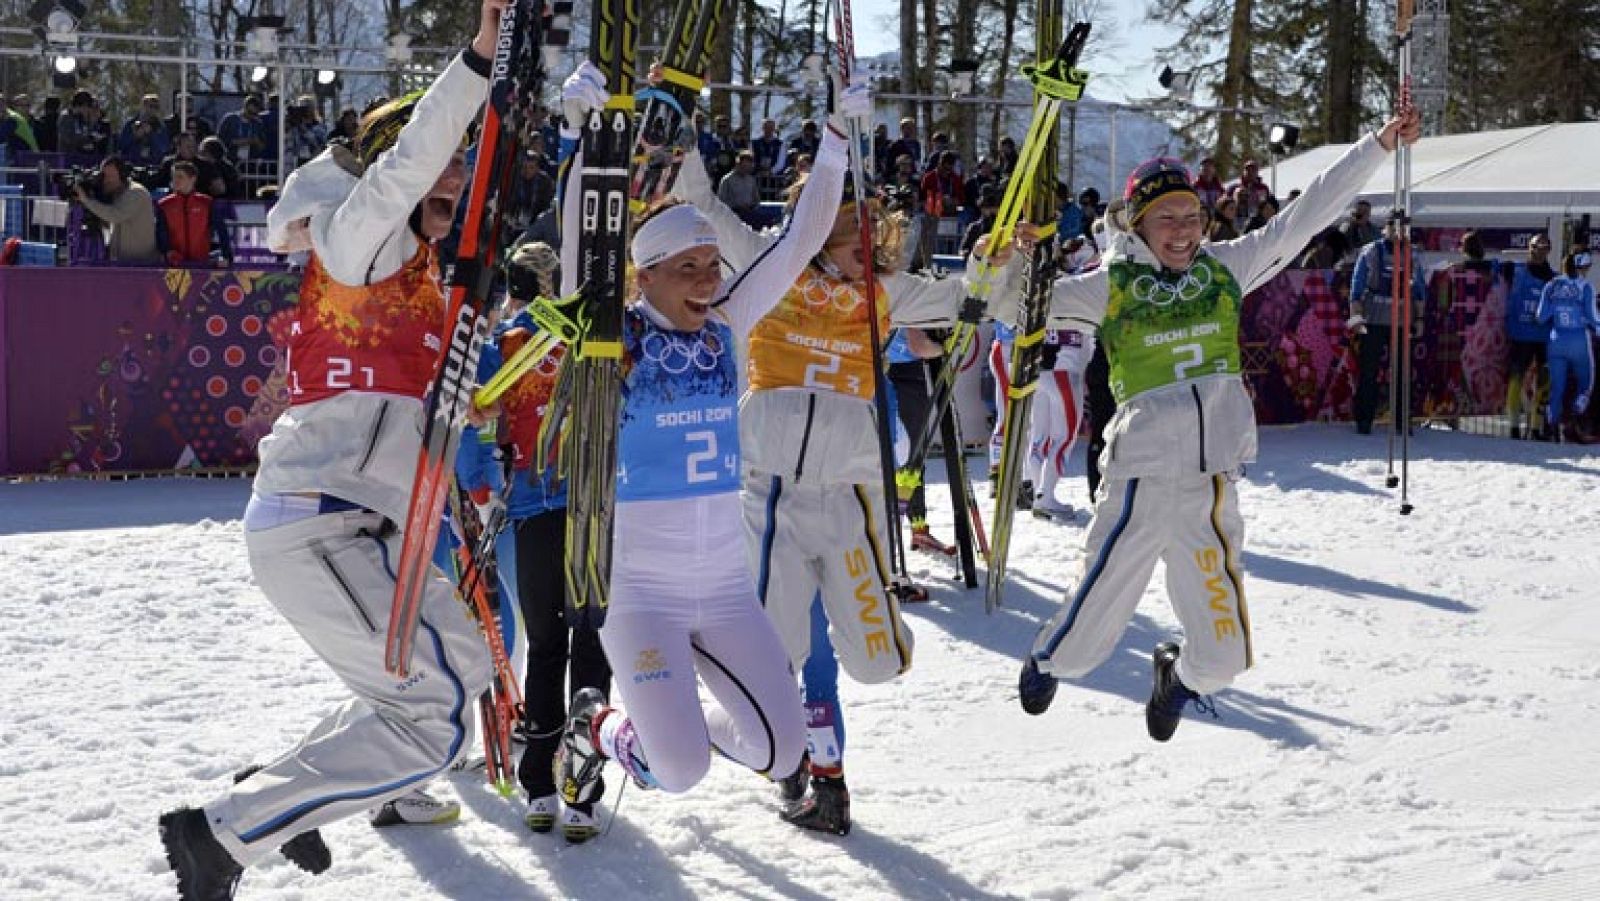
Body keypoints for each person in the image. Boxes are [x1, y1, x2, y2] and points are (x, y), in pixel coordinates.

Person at [155, 4, 506, 897]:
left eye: (461, 173)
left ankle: (280, 802)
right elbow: (406, 167)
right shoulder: (355, 243)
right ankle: (226, 835)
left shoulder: (419, 282)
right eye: (443, 165)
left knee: (459, 663)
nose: (452, 180)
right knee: (432, 724)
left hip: (367, 527)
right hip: (321, 524)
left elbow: (431, 399)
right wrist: (475, 63)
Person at [677, 95, 1027, 835]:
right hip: (770, 487)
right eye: (850, 228)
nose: (870, 240)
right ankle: (800, 764)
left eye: (876, 228)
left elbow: (968, 295)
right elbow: (698, 201)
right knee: (785, 652)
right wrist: (674, 119)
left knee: (870, 657)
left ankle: (812, 761)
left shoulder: (883, 292)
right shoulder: (767, 262)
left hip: (848, 493)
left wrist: (998, 257)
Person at [1017, 107, 1423, 739]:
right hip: (1141, 483)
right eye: (1165, 219)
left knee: (1224, 658)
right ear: (1136, 224)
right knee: (1084, 637)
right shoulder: (1107, 287)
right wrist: (1014, 259)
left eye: (1190, 216)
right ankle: (1048, 660)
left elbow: (1306, 215)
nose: (1181, 231)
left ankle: (1175, 678)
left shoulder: (1227, 268)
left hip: (1211, 484)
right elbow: (1010, 305)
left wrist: (1376, 146)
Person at [550, 60, 847, 818]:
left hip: (721, 586)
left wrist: (840, 140)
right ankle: (597, 724)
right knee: (678, 773)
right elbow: (580, 245)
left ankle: (662, 724)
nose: (708, 281)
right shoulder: (610, 335)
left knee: (783, 752)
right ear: (643, 276)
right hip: (641, 592)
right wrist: (584, 143)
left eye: (712, 265)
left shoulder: (725, 328)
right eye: (688, 268)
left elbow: (798, 241)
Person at [474, 241, 612, 844]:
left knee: (559, 643)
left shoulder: (581, 331)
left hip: (572, 504)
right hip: (553, 504)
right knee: (576, 642)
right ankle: (555, 785)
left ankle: (562, 786)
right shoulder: (507, 341)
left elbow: (475, 429)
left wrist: (481, 485)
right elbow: (479, 419)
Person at [1348, 219, 1428, 434]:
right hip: (1374, 318)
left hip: (1402, 319)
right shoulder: (1371, 251)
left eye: (1403, 228)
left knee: (1403, 372)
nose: (1398, 232)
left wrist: (1420, 318)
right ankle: (1364, 420)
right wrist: (1355, 316)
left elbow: (1419, 287)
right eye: (1394, 227)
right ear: (1387, 228)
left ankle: (1403, 420)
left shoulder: (1413, 254)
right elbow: (1357, 284)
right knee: (1368, 372)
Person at [1027, 326, 1095, 520]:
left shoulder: (1044, 300)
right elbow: (1090, 346)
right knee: (1064, 438)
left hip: (1038, 372)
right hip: (1065, 372)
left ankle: (1039, 493)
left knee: (1039, 435)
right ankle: (1045, 496)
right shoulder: (1076, 301)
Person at [1536, 251, 1597, 442]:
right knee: (1586, 382)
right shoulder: (1585, 287)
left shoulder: (1551, 285)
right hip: (1578, 337)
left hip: (1556, 338)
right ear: (1583, 267)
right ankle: (1576, 417)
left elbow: (1540, 317)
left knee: (1557, 386)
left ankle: (1551, 426)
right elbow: (1595, 318)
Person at [1502, 232, 1557, 438]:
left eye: (1543, 247)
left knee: (1543, 381)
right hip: (1520, 336)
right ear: (1529, 247)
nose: (1538, 251)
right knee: (1516, 379)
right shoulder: (1513, 269)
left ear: (1548, 250)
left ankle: (1535, 427)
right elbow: (1479, 265)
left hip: (1544, 338)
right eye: (1535, 246)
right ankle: (1514, 426)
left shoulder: (1554, 279)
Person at [72, 155, 160, 263]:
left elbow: (115, 215)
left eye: (109, 176)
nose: (105, 180)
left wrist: (87, 201)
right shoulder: (115, 194)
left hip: (142, 263)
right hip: (121, 262)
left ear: (122, 175)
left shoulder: (136, 192)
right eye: (103, 176)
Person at [157, 160, 233, 265]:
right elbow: (161, 234)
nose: (175, 180)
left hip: (202, 265)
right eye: (173, 177)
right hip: (174, 266)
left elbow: (221, 231)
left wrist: (226, 256)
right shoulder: (164, 205)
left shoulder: (207, 203)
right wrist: (167, 252)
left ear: (193, 179)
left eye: (180, 177)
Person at [118, 94, 173, 167]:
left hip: (153, 164)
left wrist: (152, 134)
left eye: (156, 107)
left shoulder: (160, 127)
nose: (152, 110)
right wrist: (135, 137)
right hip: (132, 163)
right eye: (150, 106)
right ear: (143, 106)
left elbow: (164, 148)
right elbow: (121, 145)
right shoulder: (130, 124)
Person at [217, 94, 268, 163]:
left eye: (255, 114)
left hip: (250, 161)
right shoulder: (230, 119)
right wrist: (240, 142)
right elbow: (219, 140)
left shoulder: (257, 124)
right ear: (244, 107)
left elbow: (262, 146)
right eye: (250, 112)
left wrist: (256, 142)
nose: (252, 116)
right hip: (230, 159)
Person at [57, 90, 110, 157]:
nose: (88, 110)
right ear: (83, 106)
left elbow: (86, 132)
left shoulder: (81, 119)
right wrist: (89, 138)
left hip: (82, 157)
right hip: (67, 158)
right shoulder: (66, 117)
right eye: (88, 107)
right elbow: (69, 139)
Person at [717, 149, 762, 225]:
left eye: (749, 166)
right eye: (744, 166)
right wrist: (737, 206)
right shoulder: (727, 180)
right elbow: (721, 201)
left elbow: (756, 200)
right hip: (732, 217)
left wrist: (751, 206)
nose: (746, 169)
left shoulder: (751, 180)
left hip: (749, 215)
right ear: (738, 164)